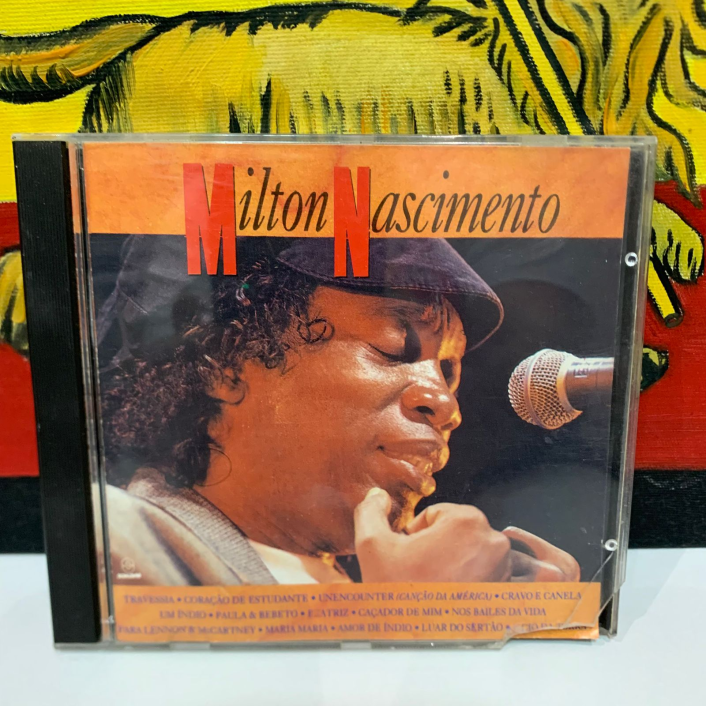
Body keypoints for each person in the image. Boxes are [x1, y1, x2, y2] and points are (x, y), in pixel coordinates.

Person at [101, 235, 579, 586]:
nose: (446, 404)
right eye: (396, 347)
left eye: (449, 371)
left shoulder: (360, 582)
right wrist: (419, 620)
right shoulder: (114, 542)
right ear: (226, 363)